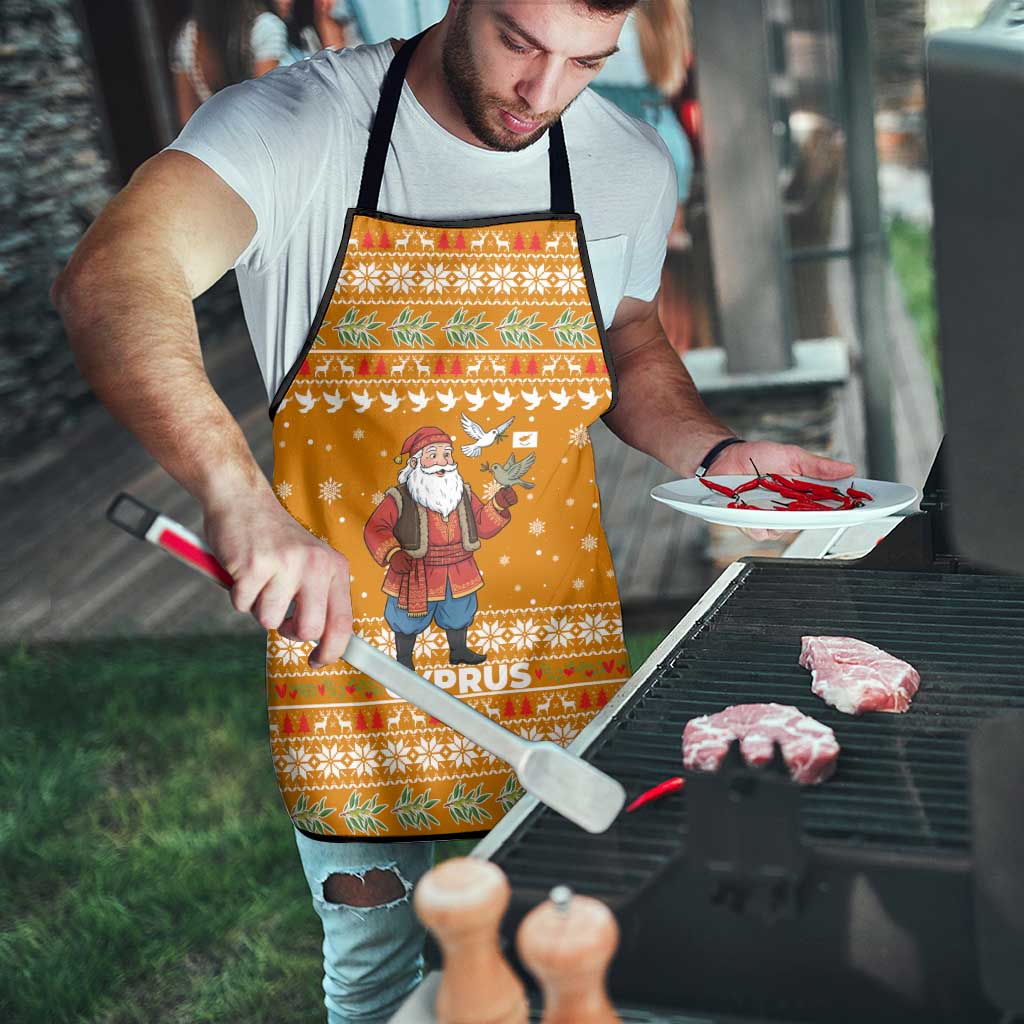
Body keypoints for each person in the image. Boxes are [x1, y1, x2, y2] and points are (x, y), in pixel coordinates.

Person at [52, 2, 856, 1020]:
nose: (543, 94)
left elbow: (630, 338)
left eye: (585, 62)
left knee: (570, 960)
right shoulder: (298, 126)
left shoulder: (625, 161)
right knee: (381, 979)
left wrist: (718, 449)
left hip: (561, 663)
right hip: (353, 666)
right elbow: (113, 275)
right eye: (521, 42)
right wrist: (236, 495)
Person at [169, 0, 289, 127]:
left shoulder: (188, 37)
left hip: (215, 140)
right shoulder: (266, 27)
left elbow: (187, 120)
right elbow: (266, 107)